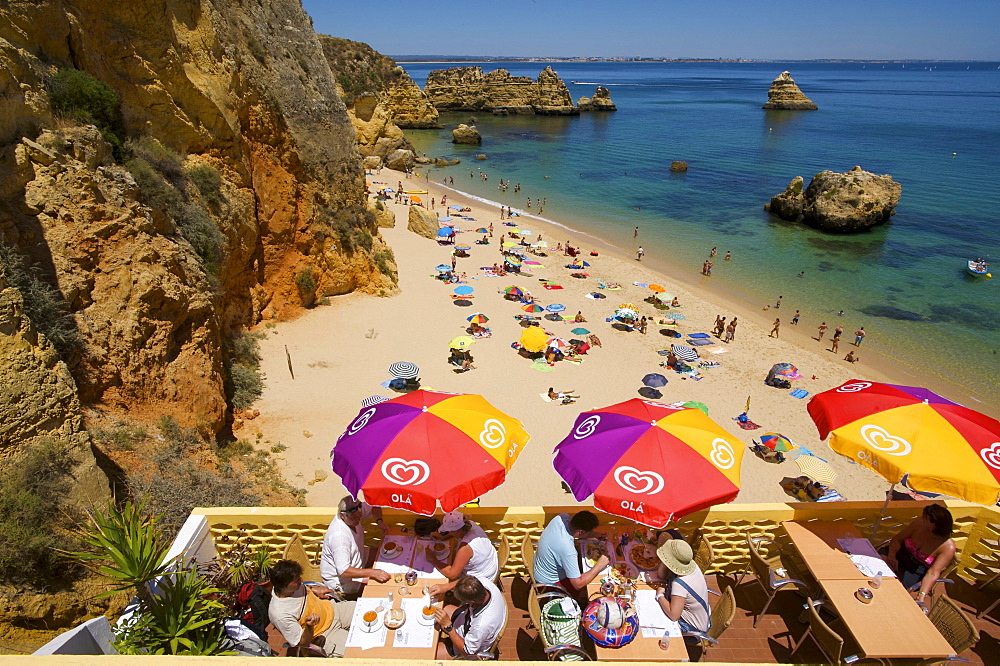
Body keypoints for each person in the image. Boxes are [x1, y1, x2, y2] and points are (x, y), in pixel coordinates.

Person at [268, 559, 355, 657]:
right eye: (296, 581)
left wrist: (313, 589)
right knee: (358, 649)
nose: (301, 581)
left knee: (371, 611)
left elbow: (303, 587)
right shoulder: (280, 615)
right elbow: (302, 644)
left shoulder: (293, 587)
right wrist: (309, 626)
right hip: (325, 634)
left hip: (333, 609)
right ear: (284, 586)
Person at [883, 504, 957, 603]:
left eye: (926, 518)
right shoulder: (918, 525)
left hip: (915, 570)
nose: (922, 519)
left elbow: (933, 572)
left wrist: (921, 596)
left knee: (892, 585)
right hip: (899, 554)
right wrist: (892, 556)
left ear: (935, 524)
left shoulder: (948, 547)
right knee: (877, 563)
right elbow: (897, 540)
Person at [319, 496, 391, 597]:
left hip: (357, 556)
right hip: (343, 581)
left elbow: (374, 504)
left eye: (359, 516)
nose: (358, 520)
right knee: (378, 586)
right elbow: (344, 571)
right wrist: (372, 573)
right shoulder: (339, 537)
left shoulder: (356, 511)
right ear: (342, 516)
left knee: (384, 554)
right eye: (354, 518)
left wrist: (379, 521)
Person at [425, 512, 499, 597]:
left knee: (444, 579)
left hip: (481, 578)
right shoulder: (470, 524)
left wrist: (433, 559)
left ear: (456, 531)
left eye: (449, 531)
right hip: (490, 565)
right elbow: (457, 532)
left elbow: (452, 574)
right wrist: (443, 537)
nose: (448, 533)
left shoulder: (465, 548)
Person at [533, 510, 608, 593]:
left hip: (540, 567)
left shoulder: (561, 517)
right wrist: (600, 565)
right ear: (581, 531)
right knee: (590, 586)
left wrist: (594, 534)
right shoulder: (568, 550)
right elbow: (578, 584)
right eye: (589, 531)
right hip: (548, 583)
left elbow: (575, 533)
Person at [434, 575, 507, 659]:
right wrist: (446, 587)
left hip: (466, 646)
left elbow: (467, 652)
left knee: (430, 653)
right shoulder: (483, 582)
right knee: (441, 610)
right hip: (466, 620)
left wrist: (449, 627)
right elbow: (466, 582)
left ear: (472, 601)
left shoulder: (481, 626)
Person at [653, 537, 710, 639]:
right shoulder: (691, 565)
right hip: (693, 612)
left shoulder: (679, 584)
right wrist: (664, 561)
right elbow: (662, 576)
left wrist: (660, 595)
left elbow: (674, 615)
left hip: (692, 629)